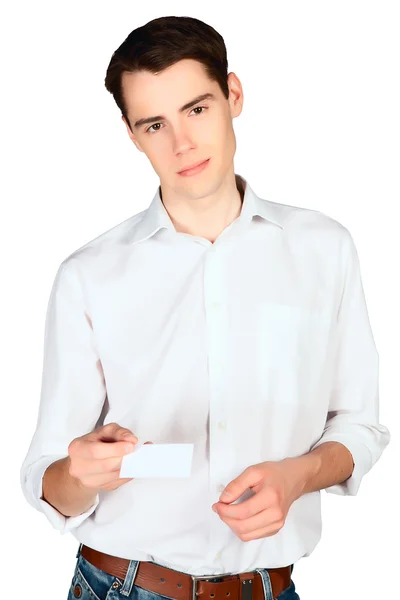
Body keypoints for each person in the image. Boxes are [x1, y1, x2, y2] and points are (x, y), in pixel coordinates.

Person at [20, 15, 390, 600]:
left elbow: (361, 425)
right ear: (132, 134)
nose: (181, 144)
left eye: (197, 109)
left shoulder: (324, 249)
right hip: (121, 585)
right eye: (154, 124)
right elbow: (48, 478)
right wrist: (77, 474)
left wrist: (299, 476)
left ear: (233, 95)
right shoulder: (88, 277)